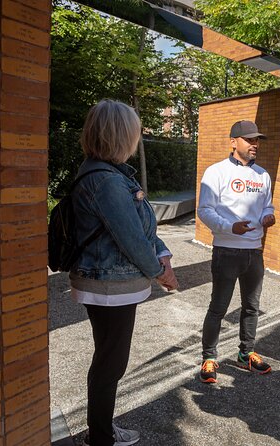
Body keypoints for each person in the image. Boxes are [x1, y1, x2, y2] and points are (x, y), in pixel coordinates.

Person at [70, 100, 179, 446]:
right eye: (134, 131)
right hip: (108, 285)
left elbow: (141, 228)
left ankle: (100, 428)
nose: (138, 137)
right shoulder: (106, 181)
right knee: (110, 365)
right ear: (120, 135)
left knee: (108, 360)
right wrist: (160, 272)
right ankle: (100, 436)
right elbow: (131, 238)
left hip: (109, 283)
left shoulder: (109, 175)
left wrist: (162, 253)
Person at [197, 120, 276, 384]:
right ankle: (209, 357)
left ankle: (246, 354)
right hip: (227, 250)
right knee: (218, 308)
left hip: (254, 251)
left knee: (251, 307)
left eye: (257, 140)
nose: (255, 144)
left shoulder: (263, 175)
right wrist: (230, 226)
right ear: (233, 142)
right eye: (249, 140)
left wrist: (269, 216)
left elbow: (267, 206)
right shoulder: (216, 172)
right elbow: (205, 210)